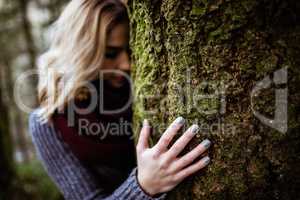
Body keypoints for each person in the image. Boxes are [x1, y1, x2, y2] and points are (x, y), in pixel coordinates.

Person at [28, 0, 212, 199]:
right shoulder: (48, 123)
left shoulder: (145, 88)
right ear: (80, 52)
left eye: (131, 50)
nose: (126, 64)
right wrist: (143, 186)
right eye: (110, 53)